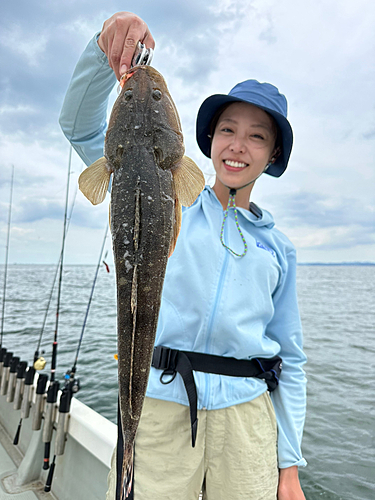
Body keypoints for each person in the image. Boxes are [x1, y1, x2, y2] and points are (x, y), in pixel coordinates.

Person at [59, 12, 307, 500]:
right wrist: (101, 48)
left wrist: (290, 463)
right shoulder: (178, 198)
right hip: (162, 410)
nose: (238, 145)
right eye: (227, 129)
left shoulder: (279, 248)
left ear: (273, 155)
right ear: (205, 141)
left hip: (247, 424)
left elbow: (291, 358)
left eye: (257, 135)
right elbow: (77, 123)